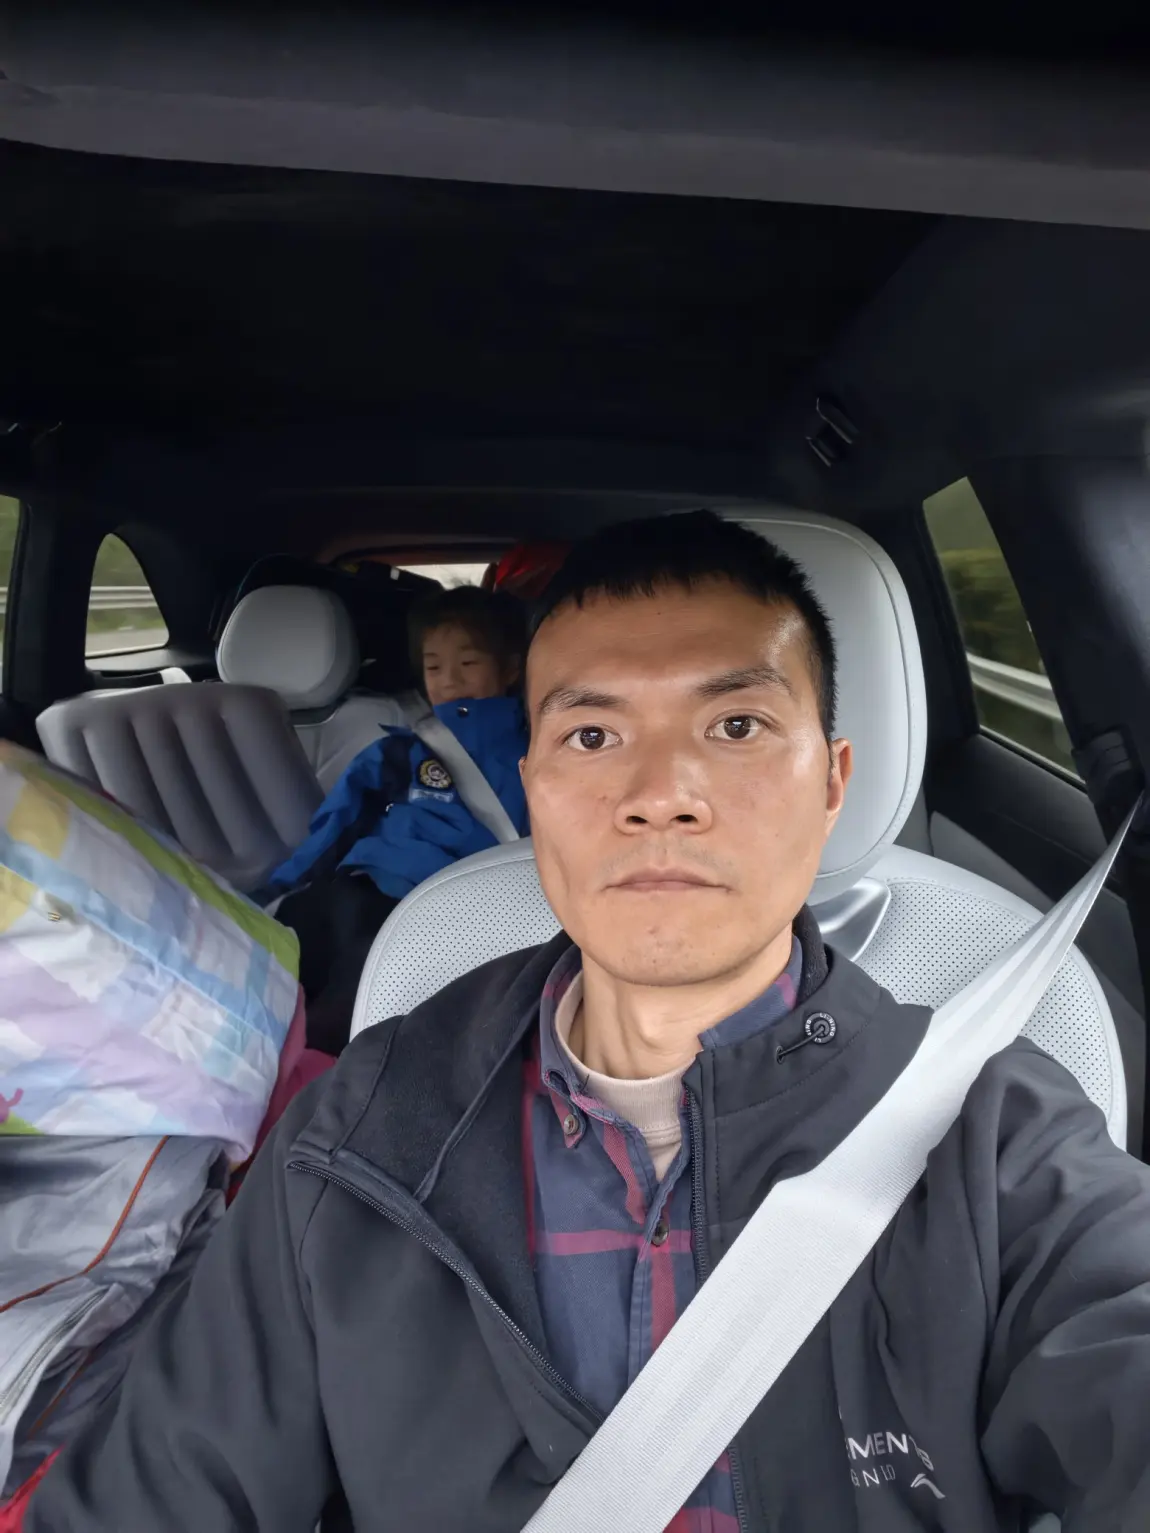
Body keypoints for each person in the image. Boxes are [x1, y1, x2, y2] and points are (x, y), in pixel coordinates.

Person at [26, 511, 1150, 1532]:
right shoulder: (356, 1135)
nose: (660, 793)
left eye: (738, 724)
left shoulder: (994, 1135)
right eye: (594, 737)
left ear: (831, 783)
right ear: (532, 789)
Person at [268, 583, 528, 1052]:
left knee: (345, 1004)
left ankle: (316, 1072)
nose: (449, 680)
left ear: (511, 669)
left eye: (468, 663)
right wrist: (285, 886)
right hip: (360, 881)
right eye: (433, 667)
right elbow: (339, 821)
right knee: (280, 956)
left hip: (435, 907)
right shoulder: (404, 748)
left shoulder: (535, 752)